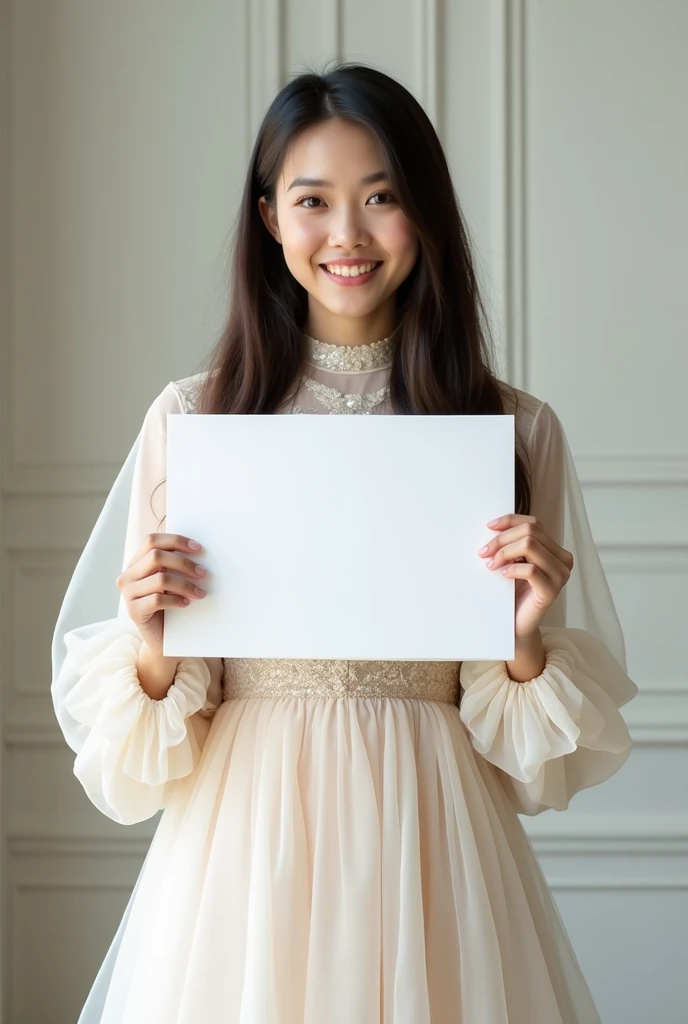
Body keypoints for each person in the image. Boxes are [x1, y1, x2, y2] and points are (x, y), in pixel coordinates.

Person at [51, 61, 638, 1024]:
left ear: (426, 214)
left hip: (435, 827)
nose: (348, 236)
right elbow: (146, 753)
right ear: (271, 217)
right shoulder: (195, 418)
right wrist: (154, 640)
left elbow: (529, 766)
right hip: (247, 832)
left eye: (381, 198)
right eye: (313, 200)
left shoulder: (514, 428)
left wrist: (525, 637)